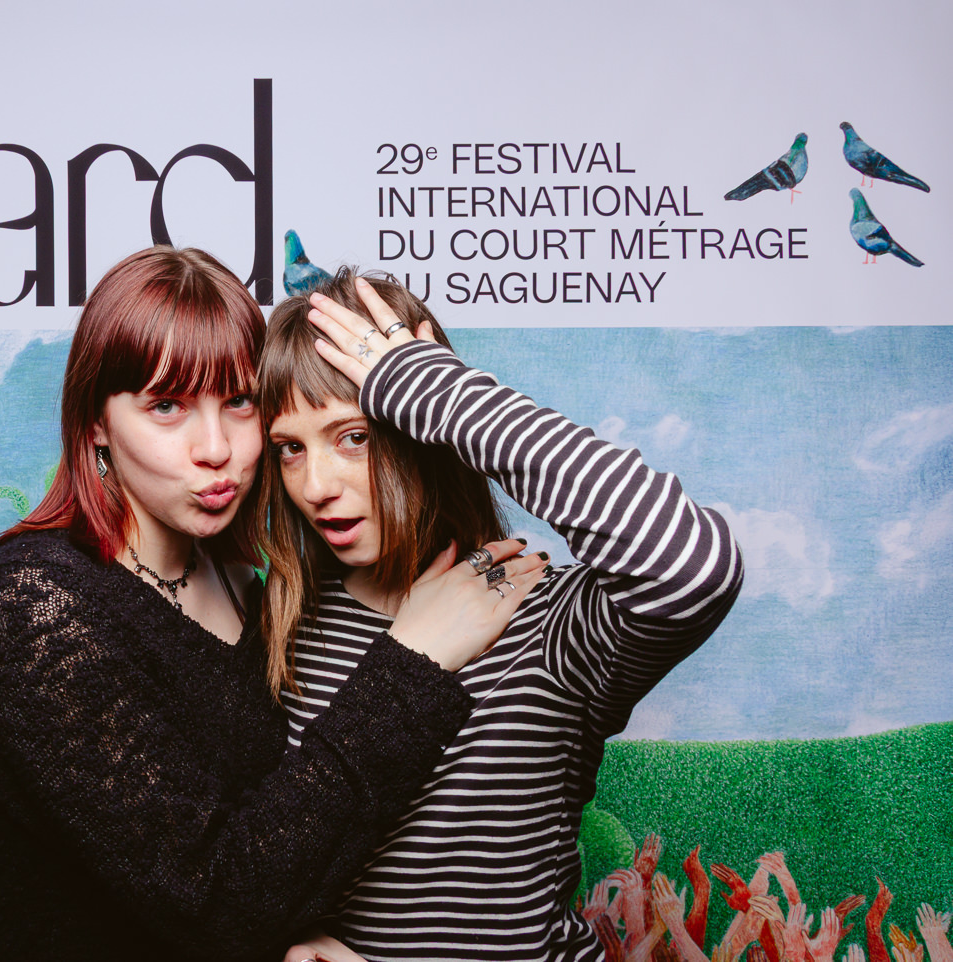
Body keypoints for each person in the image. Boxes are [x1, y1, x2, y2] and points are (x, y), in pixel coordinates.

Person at [0, 247, 541, 962]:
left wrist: (305, 938)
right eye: (166, 406)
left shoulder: (247, 583)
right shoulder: (36, 602)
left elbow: (270, 839)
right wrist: (414, 658)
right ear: (96, 423)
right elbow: (211, 902)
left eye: (238, 401)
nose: (216, 448)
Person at [256, 270, 744, 962]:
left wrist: (435, 389)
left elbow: (693, 564)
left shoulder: (548, 621)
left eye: (354, 436)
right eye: (290, 448)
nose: (314, 486)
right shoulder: (285, 628)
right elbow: (243, 871)